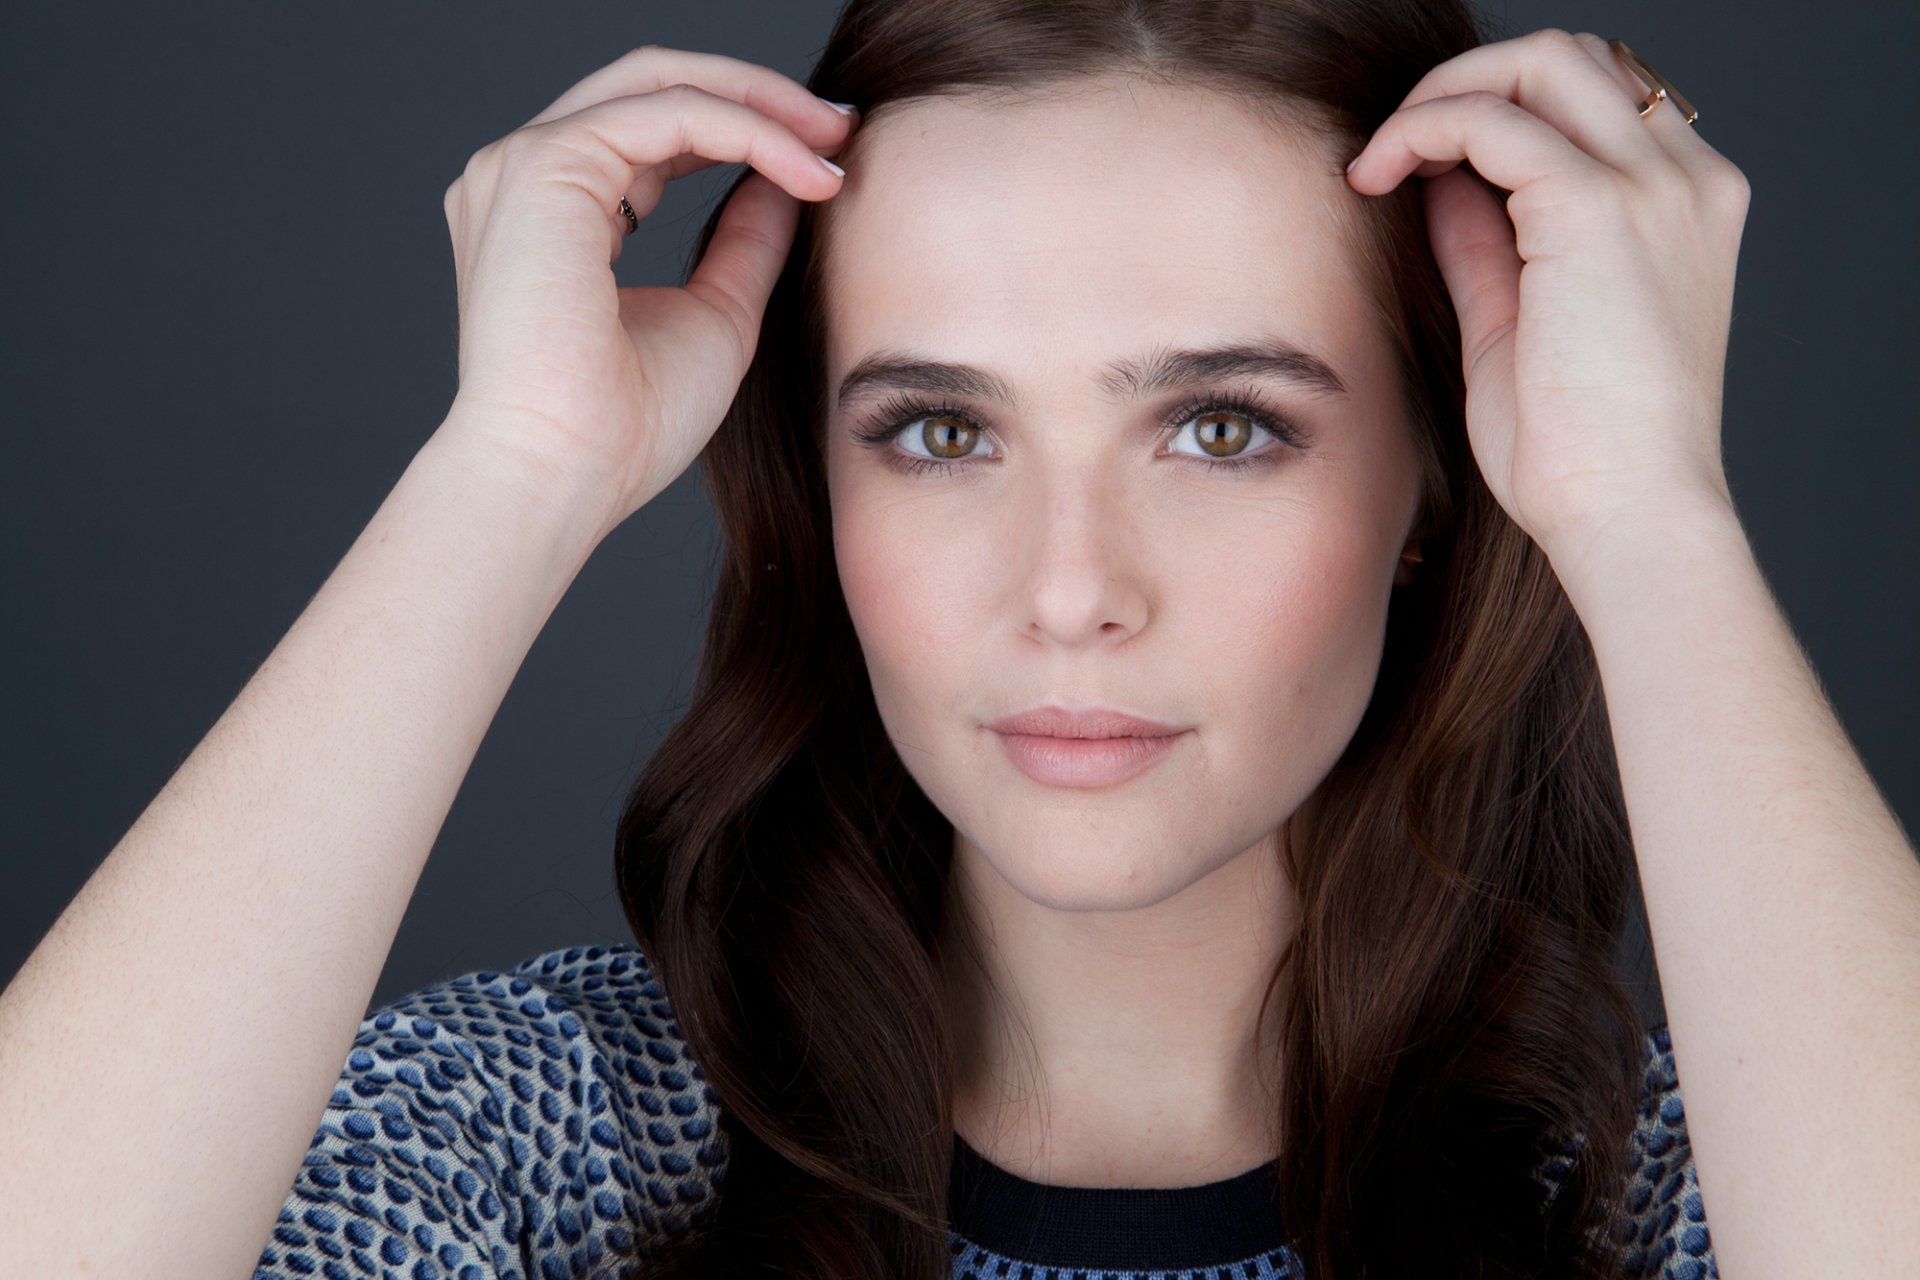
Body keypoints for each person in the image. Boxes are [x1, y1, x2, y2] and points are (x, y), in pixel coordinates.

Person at [3, 0, 1915, 1277]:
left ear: (1438, 477)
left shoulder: (1695, 1192)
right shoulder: (548, 1145)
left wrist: (1647, 508)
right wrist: (505, 471)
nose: (1069, 590)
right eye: (938, 431)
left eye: (1222, 428)